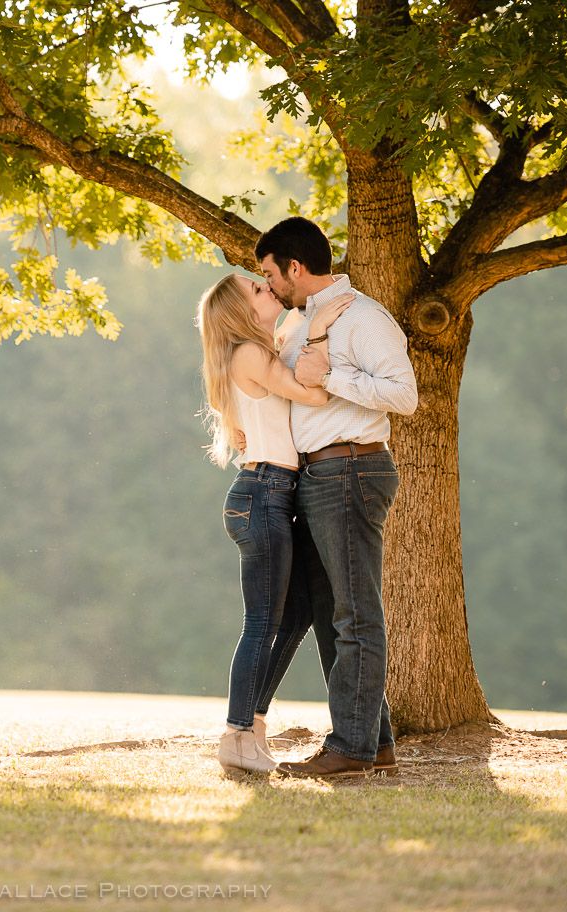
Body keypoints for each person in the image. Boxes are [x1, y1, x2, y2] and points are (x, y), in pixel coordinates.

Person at [252, 216, 418, 780]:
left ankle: (350, 748)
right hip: (317, 478)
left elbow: (404, 395)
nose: (269, 283)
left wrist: (334, 377)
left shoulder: (365, 319)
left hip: (351, 469)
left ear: (295, 268)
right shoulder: (301, 323)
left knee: (354, 613)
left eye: (269, 273)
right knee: (331, 613)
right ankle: (375, 741)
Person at [196, 272, 353, 775]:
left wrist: (303, 327)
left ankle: (252, 727)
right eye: (258, 291)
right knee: (261, 622)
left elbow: (285, 356)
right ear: (241, 312)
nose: (270, 292)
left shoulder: (255, 351)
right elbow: (313, 395)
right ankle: (237, 734)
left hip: (269, 493)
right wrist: (323, 329)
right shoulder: (249, 354)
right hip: (262, 494)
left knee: (298, 611)